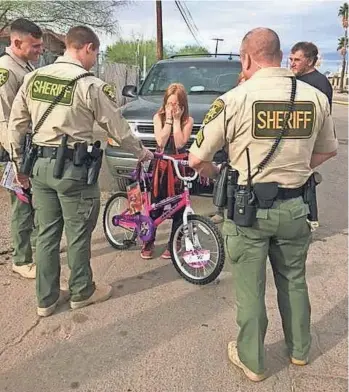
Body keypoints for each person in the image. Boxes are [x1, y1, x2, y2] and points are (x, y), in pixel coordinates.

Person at [188, 27, 337, 382]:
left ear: (247, 58)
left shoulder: (234, 99)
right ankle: (300, 351)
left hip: (248, 210)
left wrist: (220, 172)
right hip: (296, 206)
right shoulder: (314, 97)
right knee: (294, 280)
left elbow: (196, 159)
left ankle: (253, 361)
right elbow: (328, 149)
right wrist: (298, 169)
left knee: (250, 288)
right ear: (280, 54)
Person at [8, 25, 153, 317]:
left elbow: (15, 125)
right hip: (74, 170)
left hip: (38, 166)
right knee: (77, 233)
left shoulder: (34, 78)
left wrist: (17, 164)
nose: (94, 60)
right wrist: (142, 153)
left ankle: (45, 300)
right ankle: (81, 291)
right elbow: (118, 128)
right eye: (95, 54)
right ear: (86, 48)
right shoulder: (89, 84)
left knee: (47, 233)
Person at [0, 18, 43, 279]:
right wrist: (16, 162)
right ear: (16, 42)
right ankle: (21, 258)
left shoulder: (24, 66)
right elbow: (4, 119)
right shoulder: (6, 71)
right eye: (34, 46)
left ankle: (37, 248)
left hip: (27, 146)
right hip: (12, 150)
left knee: (33, 201)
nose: (39, 50)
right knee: (21, 203)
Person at [140, 83, 194, 260]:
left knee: (180, 206)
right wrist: (169, 120)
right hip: (162, 166)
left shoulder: (188, 120)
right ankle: (149, 239)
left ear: (182, 105)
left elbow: (179, 143)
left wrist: (177, 121)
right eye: (169, 103)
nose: (172, 107)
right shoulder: (159, 117)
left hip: (178, 166)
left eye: (175, 104)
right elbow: (161, 142)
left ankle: (174, 242)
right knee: (155, 204)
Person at [210, 71, 246, 224]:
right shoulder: (229, 101)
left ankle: (238, 213)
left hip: (246, 154)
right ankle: (220, 210)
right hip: (228, 151)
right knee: (223, 183)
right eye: (242, 81)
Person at [289, 41, 333, 111]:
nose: (292, 64)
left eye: (297, 60)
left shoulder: (321, 82)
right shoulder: (293, 79)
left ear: (310, 61)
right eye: (291, 60)